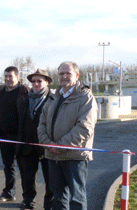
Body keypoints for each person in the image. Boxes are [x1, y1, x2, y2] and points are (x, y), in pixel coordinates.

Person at [38, 62, 97, 210]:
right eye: (61, 73)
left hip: (74, 157)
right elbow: (41, 125)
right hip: (53, 156)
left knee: (77, 199)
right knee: (58, 199)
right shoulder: (53, 97)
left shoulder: (85, 97)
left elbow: (85, 128)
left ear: (76, 76)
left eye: (68, 73)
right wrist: (48, 144)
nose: (64, 76)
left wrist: (61, 145)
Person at [17, 69, 54, 210]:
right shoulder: (24, 100)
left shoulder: (53, 100)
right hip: (27, 146)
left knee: (50, 179)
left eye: (39, 81)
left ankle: (49, 204)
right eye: (33, 81)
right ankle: (28, 201)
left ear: (47, 82)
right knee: (27, 178)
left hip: (46, 146)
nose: (36, 83)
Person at [0, 66, 28, 202]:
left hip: (20, 137)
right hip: (4, 136)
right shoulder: (1, 92)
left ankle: (27, 197)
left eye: (10, 76)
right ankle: (9, 192)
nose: (7, 79)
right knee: (8, 166)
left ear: (17, 77)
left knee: (24, 168)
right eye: (6, 76)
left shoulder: (24, 91)